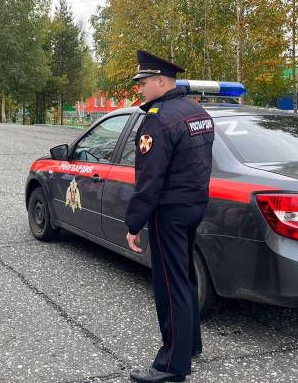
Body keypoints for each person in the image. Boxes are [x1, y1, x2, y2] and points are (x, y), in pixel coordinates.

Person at [124, 50, 214, 383]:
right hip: (194, 206)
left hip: (170, 211)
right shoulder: (198, 111)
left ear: (162, 81)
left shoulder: (159, 119)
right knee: (185, 276)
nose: (140, 90)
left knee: (169, 284)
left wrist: (134, 223)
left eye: (144, 83)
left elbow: (149, 179)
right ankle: (189, 344)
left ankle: (171, 366)